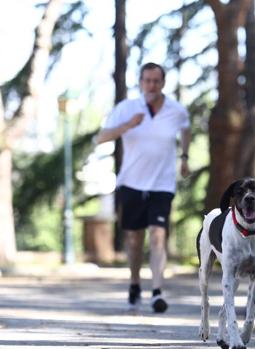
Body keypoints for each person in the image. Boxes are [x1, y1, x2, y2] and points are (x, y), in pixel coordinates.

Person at [95, 62, 191, 313]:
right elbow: (101, 137)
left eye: (156, 81)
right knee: (134, 239)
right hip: (131, 183)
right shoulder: (127, 108)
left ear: (163, 83)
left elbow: (186, 129)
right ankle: (135, 282)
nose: (151, 85)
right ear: (140, 82)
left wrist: (184, 157)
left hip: (162, 184)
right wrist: (127, 125)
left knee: (158, 235)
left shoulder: (176, 110)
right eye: (147, 80)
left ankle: (157, 291)